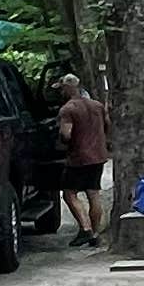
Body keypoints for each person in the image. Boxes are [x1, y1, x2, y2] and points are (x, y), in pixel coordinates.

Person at [51, 72, 112, 246]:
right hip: (98, 156)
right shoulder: (97, 106)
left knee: (69, 194)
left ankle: (85, 229)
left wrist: (60, 141)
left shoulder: (68, 109)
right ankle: (95, 234)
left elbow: (66, 134)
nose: (61, 92)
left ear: (67, 88)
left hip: (78, 158)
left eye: (62, 89)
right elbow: (107, 125)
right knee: (93, 193)